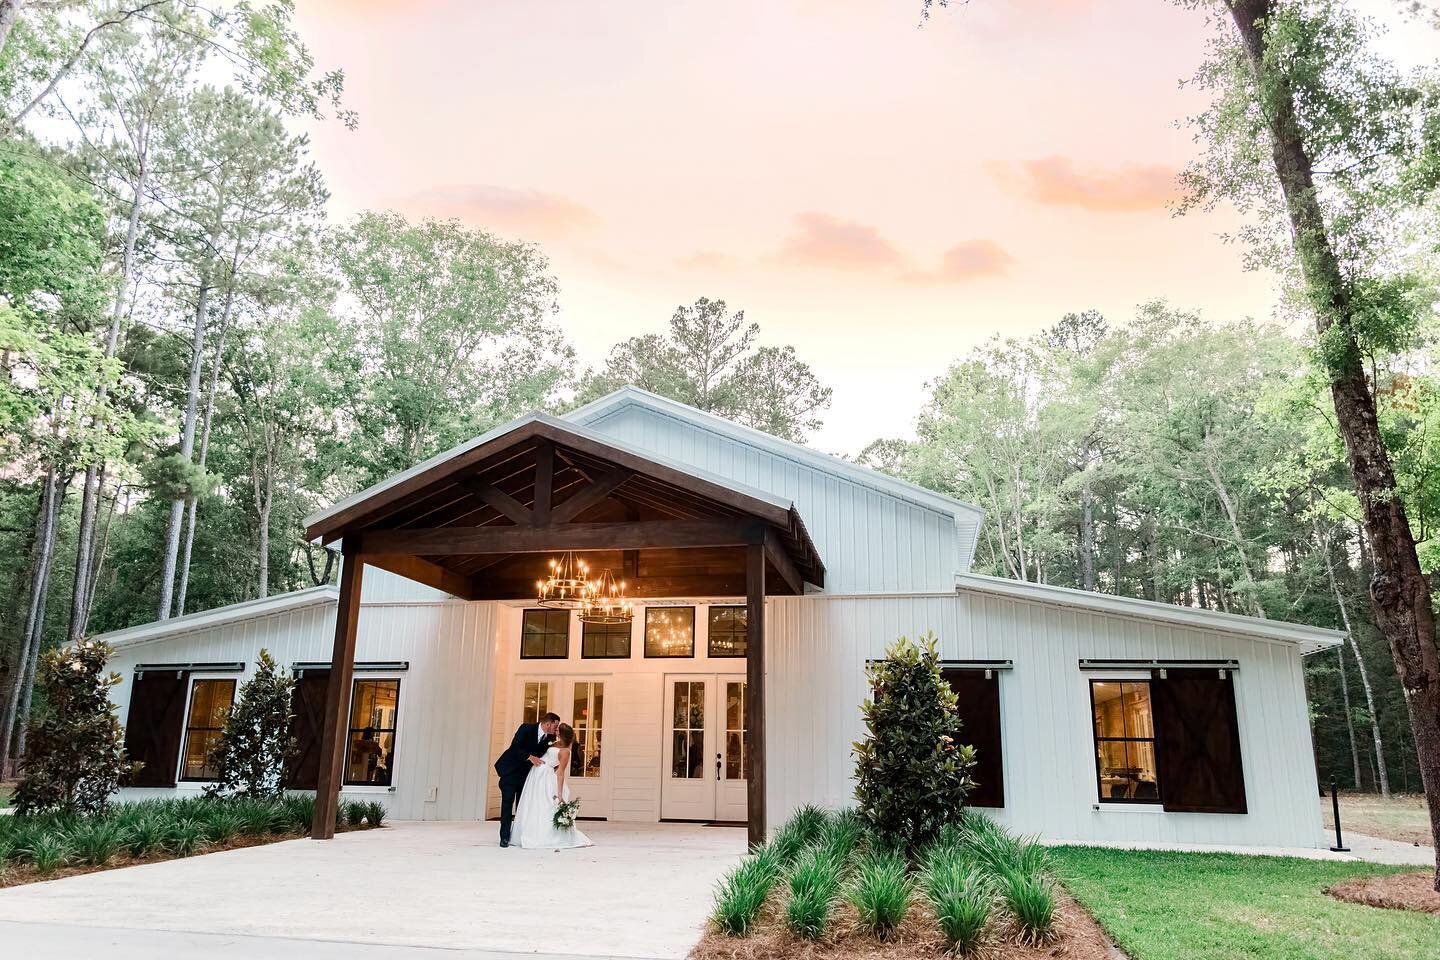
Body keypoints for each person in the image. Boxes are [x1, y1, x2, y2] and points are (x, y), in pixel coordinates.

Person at [511, 722, 593, 850]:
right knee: (533, 803)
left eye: (558, 730)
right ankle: (527, 831)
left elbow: (560, 773)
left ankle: (543, 836)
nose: (555, 731)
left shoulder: (565, 751)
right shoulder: (554, 743)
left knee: (545, 805)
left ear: (563, 734)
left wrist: (560, 796)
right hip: (536, 775)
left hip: (546, 778)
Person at [494, 712, 558, 847]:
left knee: (523, 806)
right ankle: (504, 837)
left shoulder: (551, 737)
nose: (556, 729)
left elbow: (548, 754)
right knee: (507, 804)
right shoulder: (526, 728)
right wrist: (530, 757)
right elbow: (515, 747)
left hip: (527, 776)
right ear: (548, 723)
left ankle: (520, 835)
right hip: (510, 772)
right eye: (555, 725)